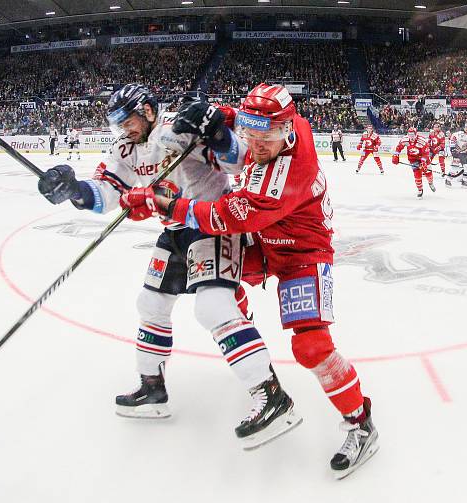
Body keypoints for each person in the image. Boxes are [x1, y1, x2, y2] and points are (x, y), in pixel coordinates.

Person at [120, 83, 379, 479]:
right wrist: (216, 116)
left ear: (287, 131)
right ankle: (250, 354)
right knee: (217, 291)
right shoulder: (292, 124)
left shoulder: (290, 174)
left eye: (267, 136)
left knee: (311, 346)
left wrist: (162, 202)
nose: (257, 145)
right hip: (264, 240)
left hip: (299, 254)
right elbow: (245, 125)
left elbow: (225, 215)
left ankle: (361, 424)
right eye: (250, 133)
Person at [35, 84, 301, 449]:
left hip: (211, 223)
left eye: (127, 120)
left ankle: (272, 396)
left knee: (213, 308)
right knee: (151, 305)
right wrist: (75, 191)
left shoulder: (180, 129)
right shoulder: (124, 149)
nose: (123, 130)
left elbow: (239, 162)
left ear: (147, 110)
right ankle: (152, 389)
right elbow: (107, 192)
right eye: (117, 124)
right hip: (174, 230)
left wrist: (218, 134)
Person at [392, 126, 434, 199]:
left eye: (413, 135)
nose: (411, 137)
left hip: (424, 158)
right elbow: (398, 148)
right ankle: (420, 190)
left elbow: (426, 153)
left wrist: (423, 162)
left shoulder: (422, 140)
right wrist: (396, 155)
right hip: (413, 159)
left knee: (428, 174)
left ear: (416, 134)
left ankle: (430, 182)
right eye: (410, 134)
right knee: (417, 175)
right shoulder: (405, 140)